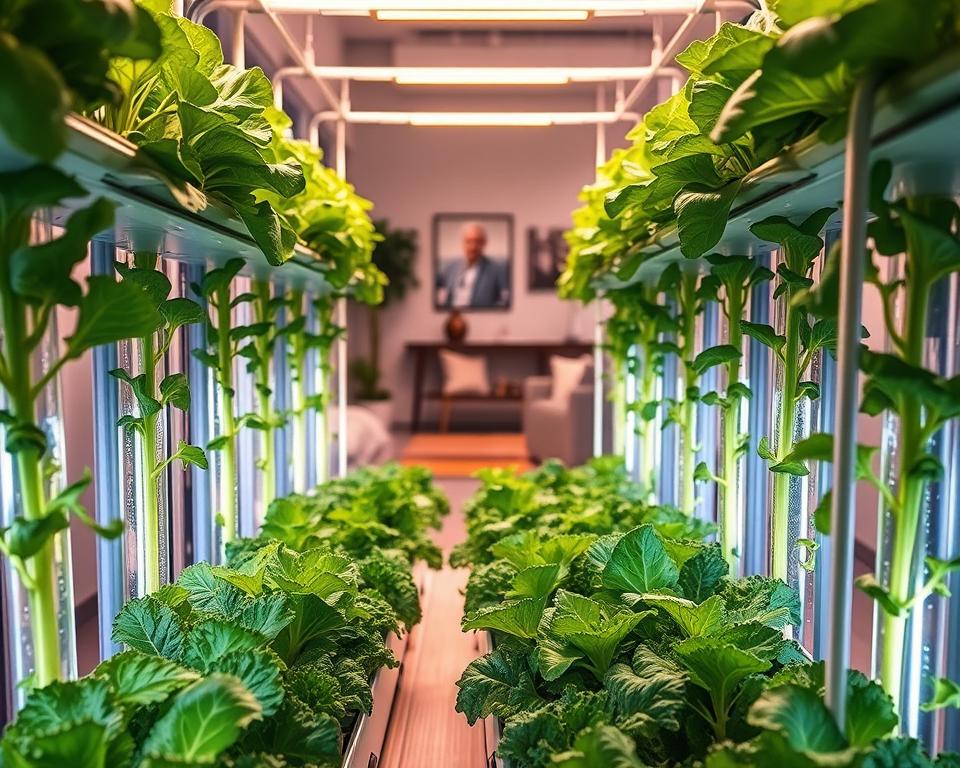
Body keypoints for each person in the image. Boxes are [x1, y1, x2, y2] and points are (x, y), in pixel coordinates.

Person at [436, 222, 510, 308]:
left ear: (484, 243)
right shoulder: (450, 267)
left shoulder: (497, 269)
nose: (473, 246)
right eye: (468, 241)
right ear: (462, 243)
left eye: (477, 241)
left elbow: (505, 300)